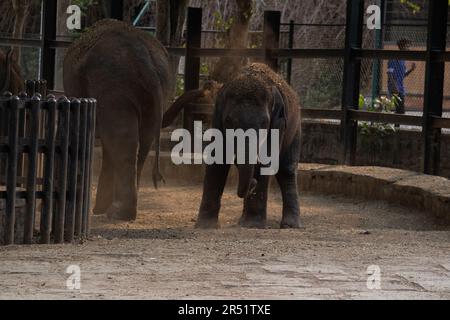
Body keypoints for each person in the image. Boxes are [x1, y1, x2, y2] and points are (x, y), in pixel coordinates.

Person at [387, 38, 416, 114]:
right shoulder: (394, 58)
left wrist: (411, 69)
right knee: (400, 110)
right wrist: (394, 86)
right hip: (395, 86)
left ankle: (395, 125)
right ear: (402, 46)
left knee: (399, 110)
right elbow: (389, 74)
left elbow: (403, 75)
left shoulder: (403, 60)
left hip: (401, 87)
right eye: (407, 46)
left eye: (409, 46)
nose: (409, 48)